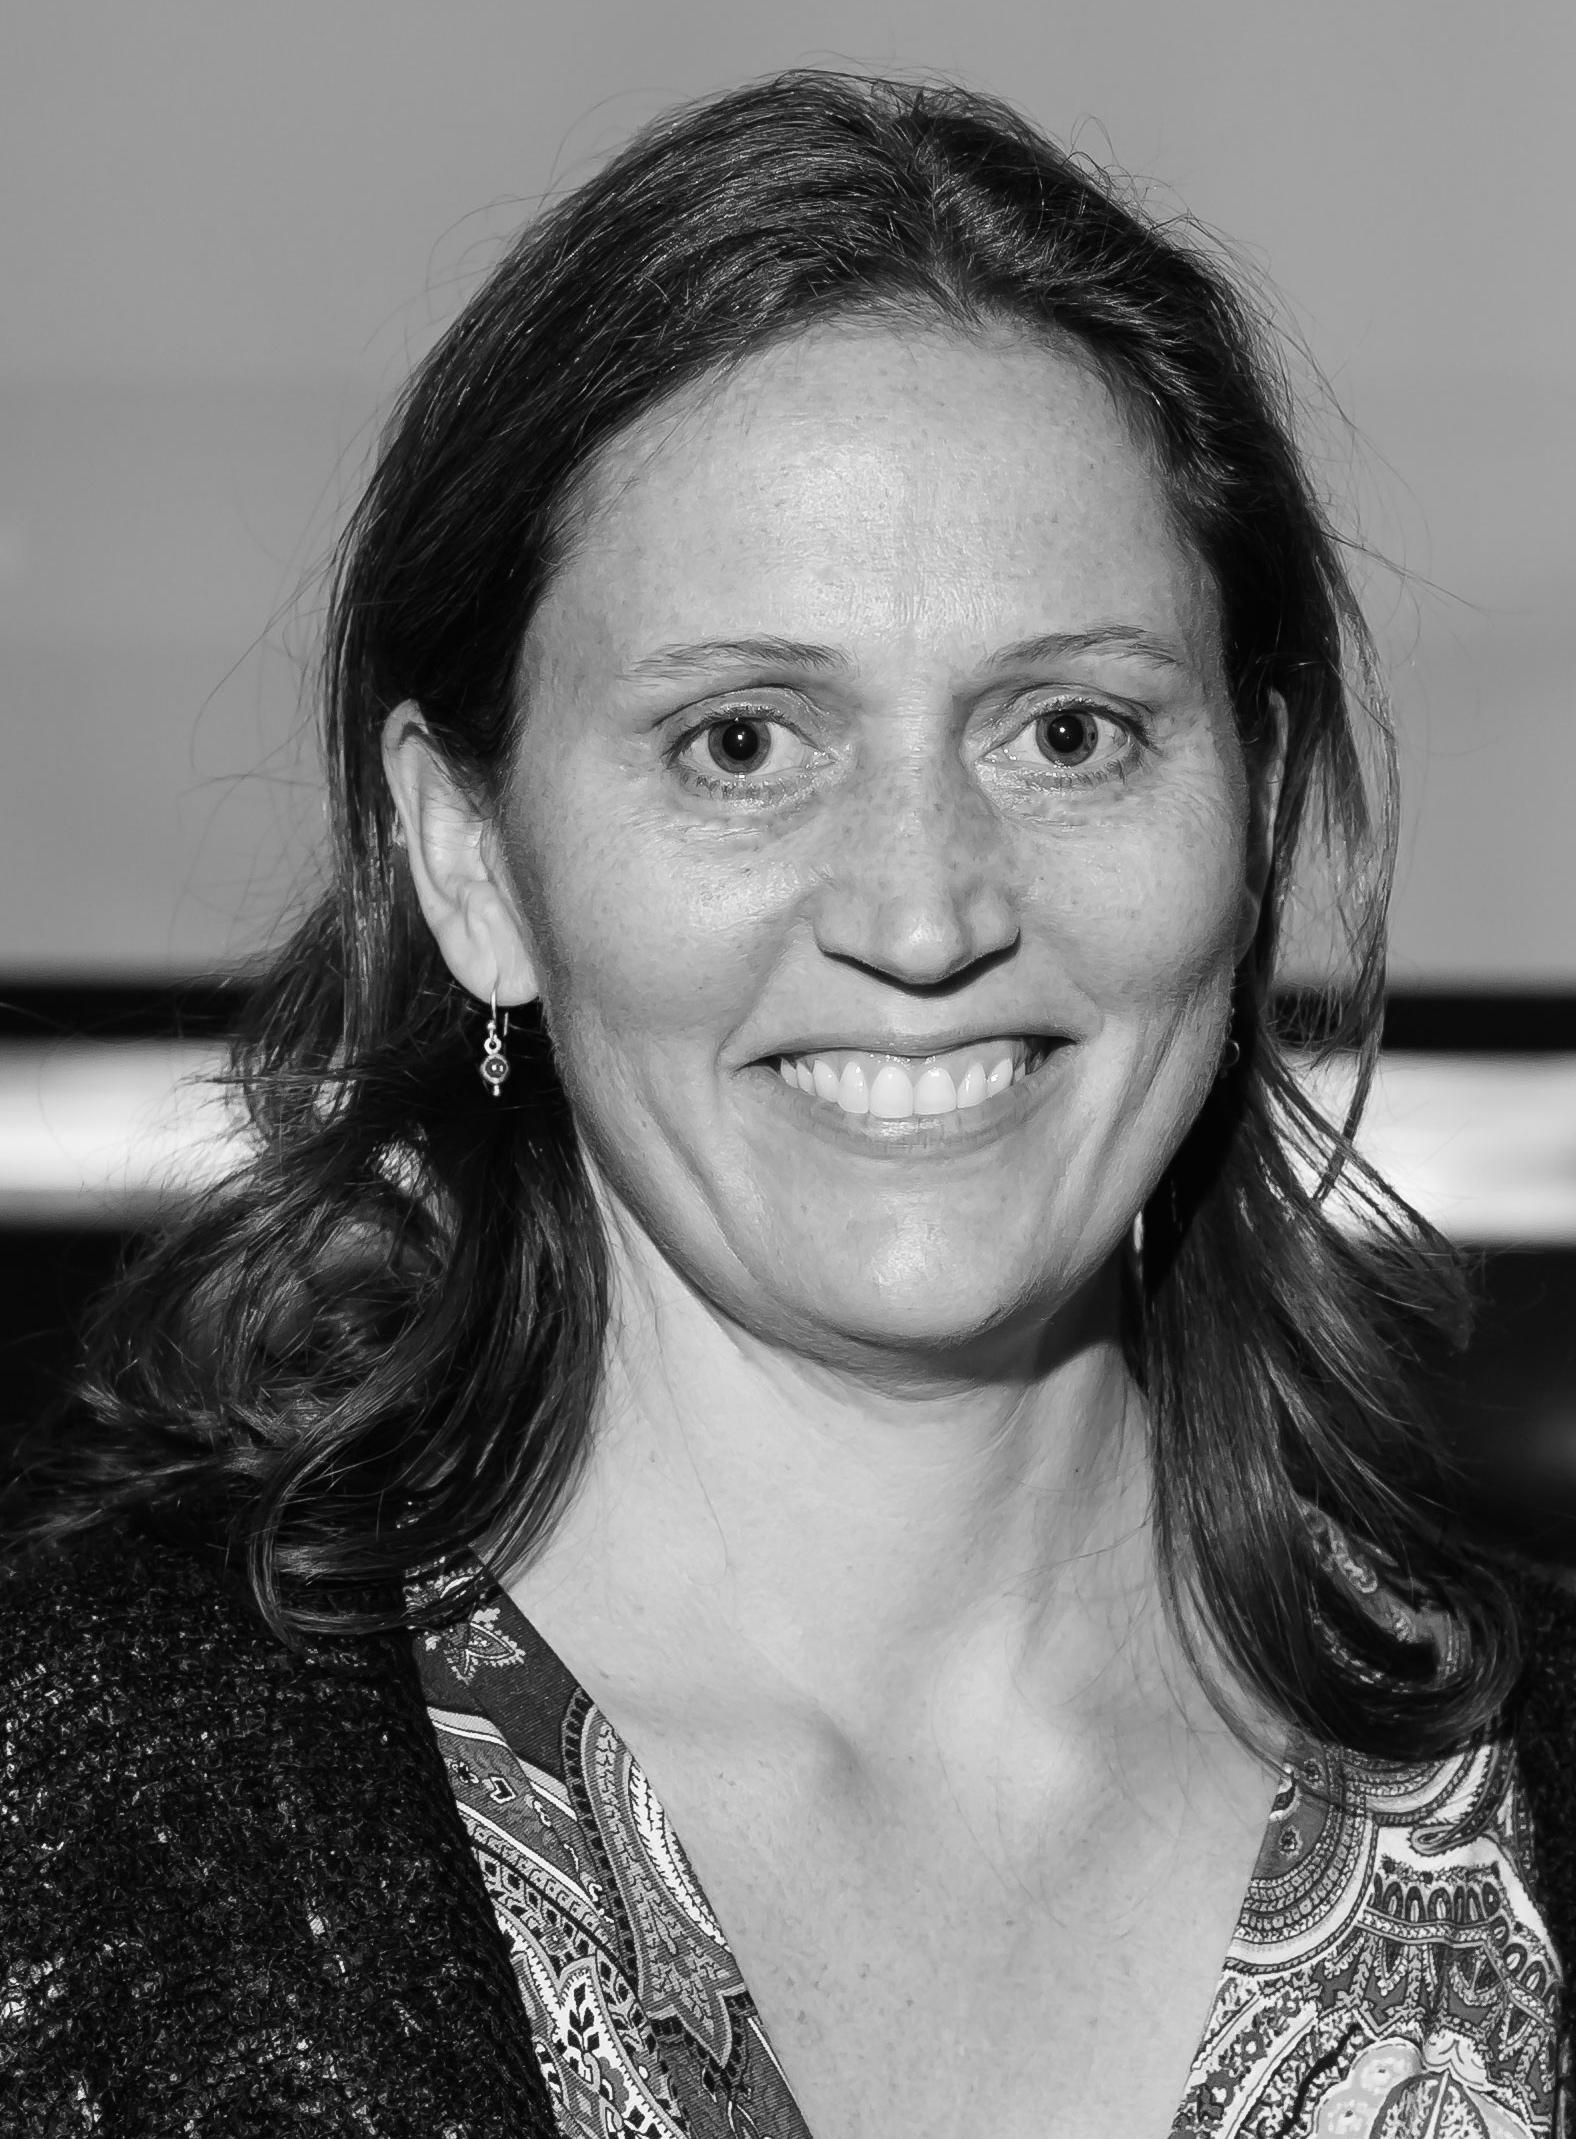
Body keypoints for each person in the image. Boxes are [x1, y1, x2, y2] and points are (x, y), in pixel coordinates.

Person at [2, 70, 1571, 2139]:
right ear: (471, 855)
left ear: (1257, 811)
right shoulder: (81, 1800)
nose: (920, 909)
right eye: (739, 741)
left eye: (1069, 730)